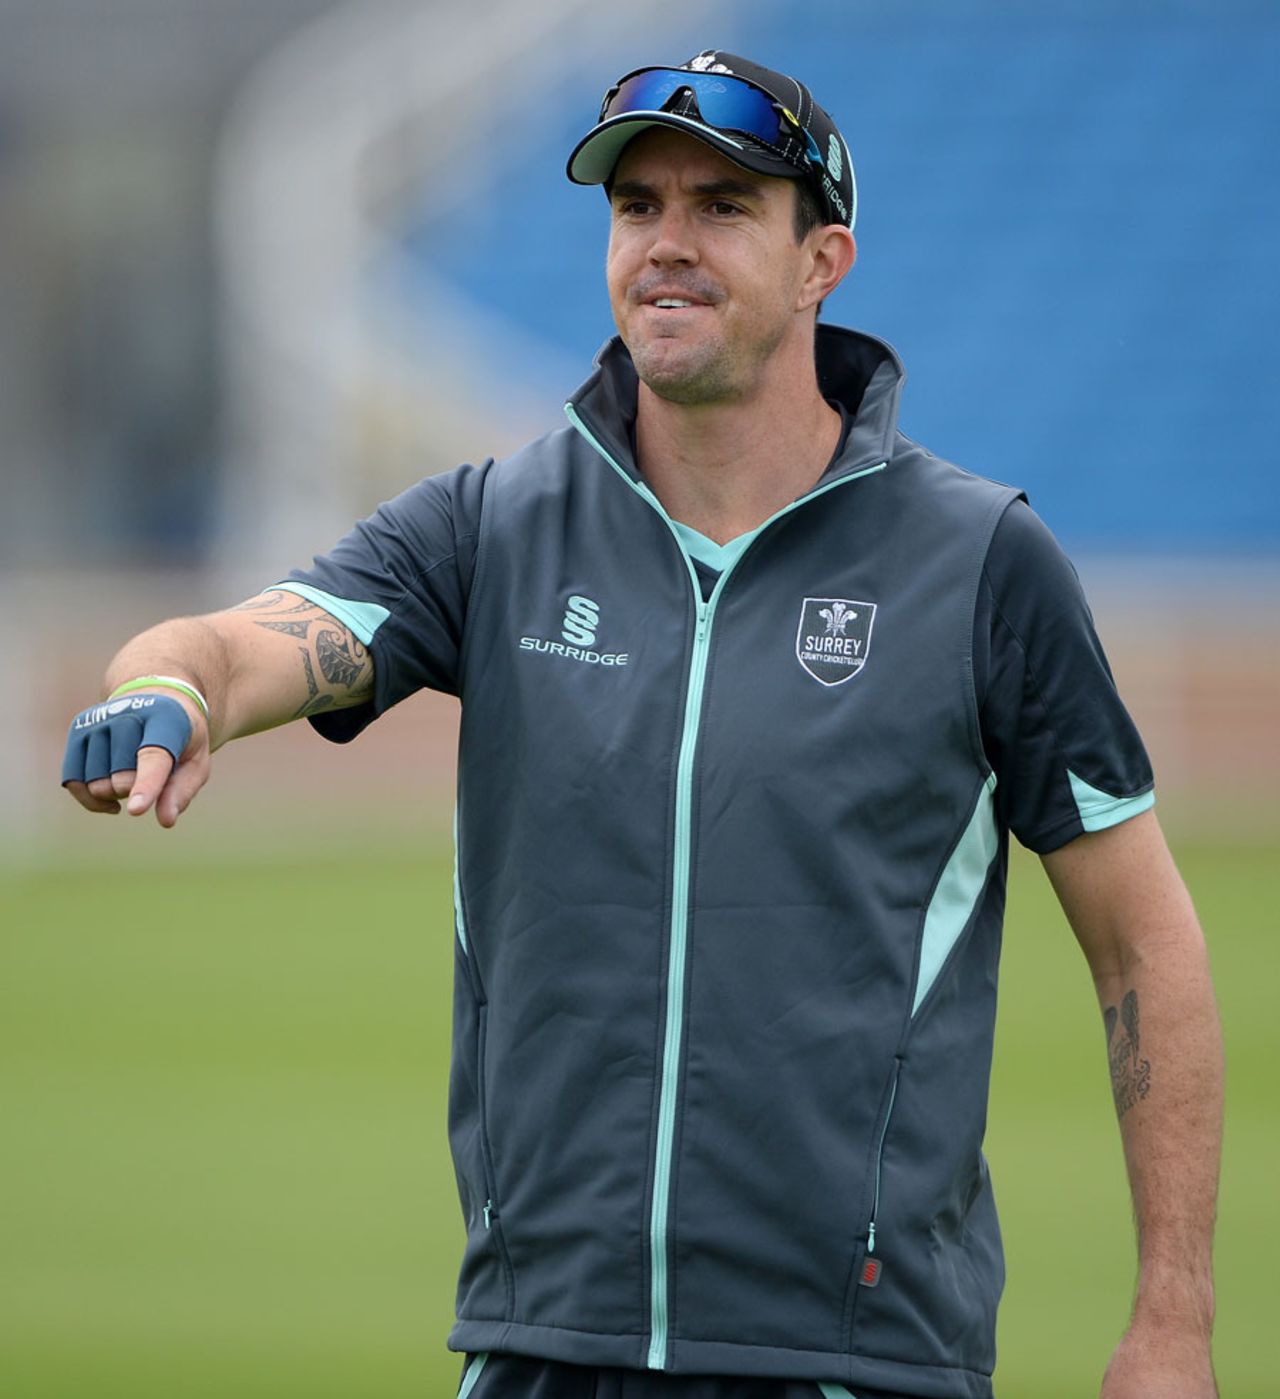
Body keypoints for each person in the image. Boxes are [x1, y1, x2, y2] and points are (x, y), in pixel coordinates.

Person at [62, 50, 1222, 1399]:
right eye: (637, 208)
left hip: (862, 1357)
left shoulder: (980, 563)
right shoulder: (490, 527)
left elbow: (1146, 940)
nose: (667, 244)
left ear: (821, 259)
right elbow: (226, 644)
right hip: (545, 1344)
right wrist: (167, 690)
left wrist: (1172, 1323)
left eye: (722, 206)